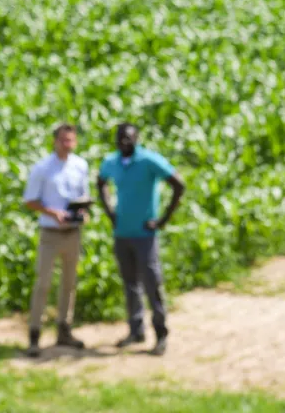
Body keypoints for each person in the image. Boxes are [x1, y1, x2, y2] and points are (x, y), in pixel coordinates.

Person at [97, 122, 185, 357]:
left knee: (152, 284)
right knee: (130, 284)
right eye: (120, 138)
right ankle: (136, 330)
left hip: (145, 235)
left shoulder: (149, 160)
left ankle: (161, 333)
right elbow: (101, 181)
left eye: (129, 138)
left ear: (137, 139)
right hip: (122, 233)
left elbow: (178, 184)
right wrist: (110, 212)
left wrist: (162, 220)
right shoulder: (112, 162)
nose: (124, 142)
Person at [22, 123, 90, 358]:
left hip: (72, 233)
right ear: (55, 141)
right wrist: (53, 213)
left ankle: (64, 329)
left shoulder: (80, 165)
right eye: (63, 140)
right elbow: (30, 200)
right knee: (43, 284)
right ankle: (35, 334)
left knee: (69, 284)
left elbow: (83, 195)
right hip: (50, 233)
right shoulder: (42, 168)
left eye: (71, 140)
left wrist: (83, 212)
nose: (67, 145)